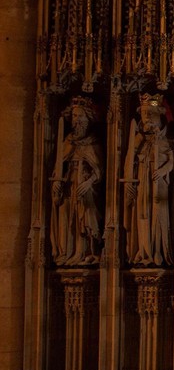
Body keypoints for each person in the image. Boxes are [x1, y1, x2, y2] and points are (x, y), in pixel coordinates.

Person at [123, 93, 174, 266]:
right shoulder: (138, 140)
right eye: (144, 114)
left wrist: (164, 170)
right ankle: (142, 251)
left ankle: (157, 250)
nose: (146, 118)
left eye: (150, 114)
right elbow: (130, 162)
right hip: (141, 184)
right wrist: (129, 183)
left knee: (157, 215)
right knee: (141, 216)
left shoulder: (167, 140)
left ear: (159, 114)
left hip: (159, 185)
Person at [51, 97, 104, 266]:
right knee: (67, 217)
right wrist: (57, 182)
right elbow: (59, 167)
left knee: (86, 216)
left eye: (80, 116)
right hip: (69, 185)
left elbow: (100, 171)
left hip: (86, 188)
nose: (77, 120)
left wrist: (88, 183)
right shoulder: (67, 142)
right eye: (74, 116)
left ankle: (88, 252)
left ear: (88, 119)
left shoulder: (93, 143)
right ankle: (67, 252)